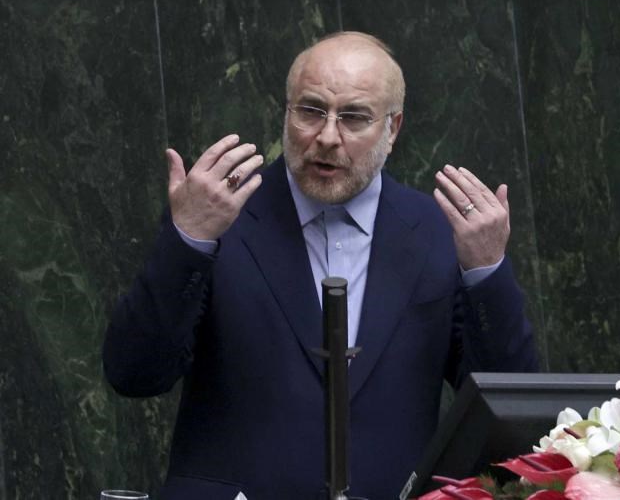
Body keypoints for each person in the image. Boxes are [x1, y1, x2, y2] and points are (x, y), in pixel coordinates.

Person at [103, 31, 537, 500]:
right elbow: (135, 374)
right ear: (286, 112)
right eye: (311, 111)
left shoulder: (439, 232)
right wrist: (188, 240)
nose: (328, 137)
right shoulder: (217, 216)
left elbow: (510, 420)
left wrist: (487, 272)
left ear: (392, 129)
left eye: (354, 118)